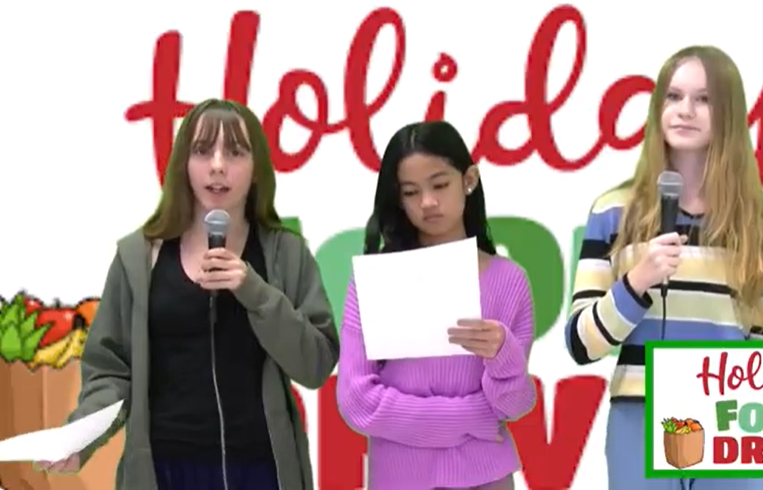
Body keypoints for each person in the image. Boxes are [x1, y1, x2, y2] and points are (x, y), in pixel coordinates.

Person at [35, 99, 340, 490]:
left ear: (257, 168)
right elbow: (110, 371)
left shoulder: (286, 253)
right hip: (165, 470)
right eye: (201, 151)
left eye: (234, 152)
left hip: (261, 468)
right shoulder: (137, 257)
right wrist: (82, 436)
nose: (217, 165)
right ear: (182, 164)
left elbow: (316, 364)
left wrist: (255, 291)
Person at [564, 46, 763, 490]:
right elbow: (580, 344)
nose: (685, 110)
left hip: (732, 421)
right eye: (673, 97)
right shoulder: (613, 213)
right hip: (639, 416)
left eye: (703, 99)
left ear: (728, 112)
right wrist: (636, 284)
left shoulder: (762, 222)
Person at [336, 121, 537, 490]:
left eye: (440, 184)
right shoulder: (374, 281)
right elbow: (357, 400)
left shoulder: (509, 281)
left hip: (486, 478)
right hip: (399, 479)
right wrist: (470, 416)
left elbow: (514, 405)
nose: (427, 202)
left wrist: (503, 354)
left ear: (469, 179)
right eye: (411, 192)